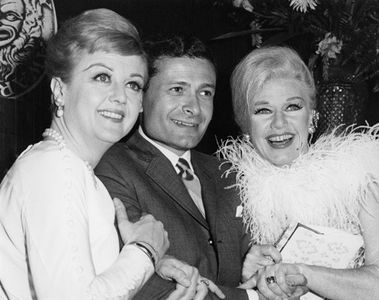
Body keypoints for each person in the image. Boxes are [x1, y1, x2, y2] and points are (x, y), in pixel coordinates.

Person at [95, 35, 306, 300]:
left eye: (205, 92)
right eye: (177, 90)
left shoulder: (226, 172)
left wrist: (248, 271)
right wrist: (254, 298)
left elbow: (233, 273)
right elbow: (144, 286)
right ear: (140, 97)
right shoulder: (112, 167)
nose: (193, 107)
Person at [0, 8, 191, 299]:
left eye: (133, 84)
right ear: (59, 90)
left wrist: (148, 263)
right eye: (102, 77)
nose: (119, 96)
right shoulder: (54, 168)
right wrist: (145, 252)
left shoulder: (71, 168)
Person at [219, 46, 379, 300]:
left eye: (292, 107)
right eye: (263, 110)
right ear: (245, 125)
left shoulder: (356, 177)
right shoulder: (228, 194)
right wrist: (247, 278)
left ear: (312, 116)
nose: (279, 123)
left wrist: (304, 274)